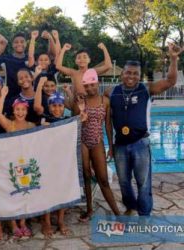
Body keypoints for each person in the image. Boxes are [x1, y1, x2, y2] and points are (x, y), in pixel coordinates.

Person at [105, 43, 183, 216]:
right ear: (122, 73)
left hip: (141, 143)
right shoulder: (111, 93)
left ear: (139, 76)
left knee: (143, 182)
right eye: (128, 72)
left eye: (135, 73)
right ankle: (131, 207)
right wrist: (110, 145)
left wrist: (173, 58)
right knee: (124, 182)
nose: (131, 76)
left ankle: (145, 213)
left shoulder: (146, 90)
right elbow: (107, 121)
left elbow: (171, 81)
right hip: (120, 145)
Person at [74, 69, 121, 222]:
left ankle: (118, 215)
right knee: (86, 176)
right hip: (83, 141)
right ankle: (89, 210)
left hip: (97, 142)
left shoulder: (105, 101)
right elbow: (75, 122)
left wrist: (111, 147)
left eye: (92, 85)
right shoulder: (81, 100)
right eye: (86, 86)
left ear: (97, 83)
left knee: (103, 179)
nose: (89, 88)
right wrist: (79, 108)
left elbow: (108, 125)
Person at [0, 86, 34, 239]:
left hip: (25, 164)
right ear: (13, 110)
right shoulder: (9, 125)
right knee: (11, 194)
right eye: (17, 109)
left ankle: (22, 222)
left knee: (25, 193)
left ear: (26, 111)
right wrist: (3, 94)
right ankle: (13, 224)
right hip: (11, 165)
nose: (20, 112)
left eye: (23, 110)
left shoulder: (31, 126)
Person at [39, 91, 79, 238]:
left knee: (62, 190)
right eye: (54, 106)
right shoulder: (44, 120)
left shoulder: (69, 121)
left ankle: (61, 220)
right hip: (48, 161)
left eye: (60, 106)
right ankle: (47, 221)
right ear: (49, 107)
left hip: (63, 162)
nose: (57, 109)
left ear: (64, 107)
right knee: (47, 191)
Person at [0, 30, 30, 100]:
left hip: (28, 97)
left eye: (22, 42)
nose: (19, 44)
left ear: (26, 44)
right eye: (16, 42)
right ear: (12, 44)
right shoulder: (7, 58)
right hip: (10, 97)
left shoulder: (31, 59)